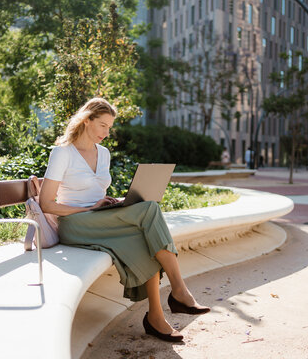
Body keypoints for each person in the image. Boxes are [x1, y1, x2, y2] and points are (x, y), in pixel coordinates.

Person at [39, 98, 209, 343]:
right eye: (103, 126)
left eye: (110, 127)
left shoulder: (104, 153)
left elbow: (97, 192)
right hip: (75, 224)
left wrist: (114, 203)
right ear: (87, 121)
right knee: (150, 208)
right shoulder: (63, 153)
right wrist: (89, 207)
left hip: (100, 218)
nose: (107, 133)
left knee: (145, 239)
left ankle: (156, 317)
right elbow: (47, 204)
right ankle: (180, 291)